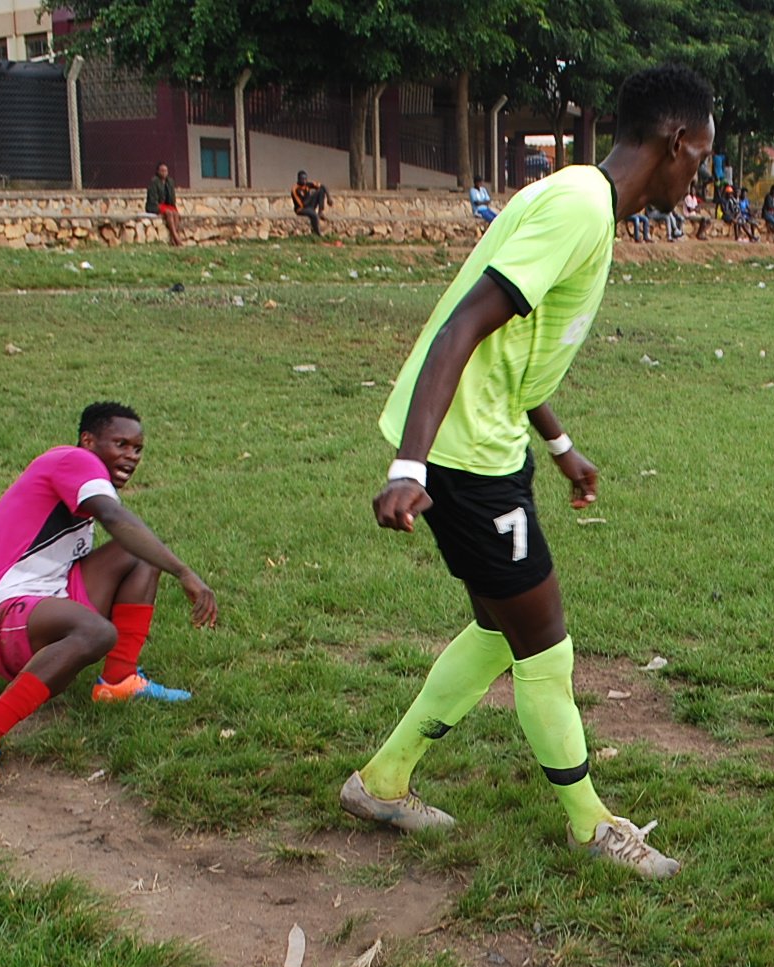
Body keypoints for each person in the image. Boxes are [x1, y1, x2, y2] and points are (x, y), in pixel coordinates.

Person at [347, 63, 715, 878]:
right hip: (465, 457)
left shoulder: (583, 199)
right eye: (703, 158)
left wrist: (559, 446)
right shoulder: (582, 207)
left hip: (487, 444)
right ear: (678, 141)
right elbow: (464, 326)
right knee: (544, 640)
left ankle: (384, 778)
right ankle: (591, 824)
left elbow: (518, 347)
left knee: (498, 626)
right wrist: (411, 464)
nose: (701, 176)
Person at [0, 402, 219, 795]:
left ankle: (119, 681)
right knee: (96, 631)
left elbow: (125, 533)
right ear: (88, 441)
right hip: (1, 618)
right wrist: (185, 573)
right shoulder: (74, 461)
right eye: (120, 443)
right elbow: (115, 520)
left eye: (138, 448)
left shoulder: (82, 476)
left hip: (44, 603)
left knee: (138, 554)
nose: (131, 456)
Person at [144, 163, 182, 247]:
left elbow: (172, 197)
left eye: (166, 171)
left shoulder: (170, 182)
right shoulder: (154, 181)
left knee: (175, 213)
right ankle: (176, 237)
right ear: (158, 171)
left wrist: (172, 206)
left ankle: (173, 239)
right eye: (162, 171)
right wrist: (159, 206)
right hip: (155, 205)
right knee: (168, 213)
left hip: (167, 205)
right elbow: (152, 199)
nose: (164, 172)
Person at [292, 170, 329, 236]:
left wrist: (329, 198)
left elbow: (323, 186)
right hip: (301, 209)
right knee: (314, 215)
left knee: (321, 191)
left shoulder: (308, 184)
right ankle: (318, 233)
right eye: (302, 179)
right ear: (299, 179)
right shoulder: (295, 189)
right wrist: (312, 196)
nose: (304, 181)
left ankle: (320, 212)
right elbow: (302, 204)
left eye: (305, 179)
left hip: (309, 206)